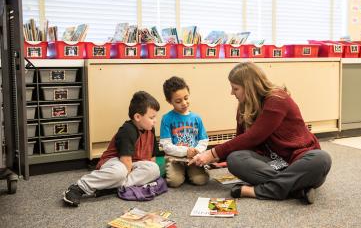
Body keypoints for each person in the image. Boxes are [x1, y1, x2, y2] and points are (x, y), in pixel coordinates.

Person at [189, 62, 332, 204]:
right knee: (235, 159)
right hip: (273, 163)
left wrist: (212, 153)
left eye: (235, 88)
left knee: (322, 159)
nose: (232, 93)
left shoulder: (277, 99)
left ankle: (256, 191)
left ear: (249, 87)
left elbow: (254, 137)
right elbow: (241, 141)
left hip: (299, 159)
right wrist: (213, 159)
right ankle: (296, 188)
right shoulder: (243, 106)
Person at [63, 91, 161, 207]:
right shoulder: (128, 130)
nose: (155, 120)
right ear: (138, 117)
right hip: (115, 162)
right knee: (120, 172)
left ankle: (113, 187)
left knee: (154, 169)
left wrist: (150, 174)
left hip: (132, 165)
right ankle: (78, 187)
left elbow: (152, 158)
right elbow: (126, 162)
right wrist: (137, 177)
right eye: (151, 117)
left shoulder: (150, 129)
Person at [160, 76, 209, 187]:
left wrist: (197, 150)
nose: (184, 103)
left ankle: (188, 172)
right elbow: (166, 145)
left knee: (201, 180)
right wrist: (185, 151)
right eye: (178, 101)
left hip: (193, 158)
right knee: (174, 182)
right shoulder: (166, 119)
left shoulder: (197, 118)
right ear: (169, 101)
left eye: (186, 98)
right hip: (175, 159)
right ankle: (180, 172)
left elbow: (204, 140)